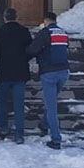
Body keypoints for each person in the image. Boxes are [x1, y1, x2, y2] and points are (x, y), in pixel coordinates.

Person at [26, 12, 70, 150]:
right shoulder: (63, 33)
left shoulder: (45, 33)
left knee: (51, 107)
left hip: (49, 73)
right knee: (51, 101)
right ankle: (44, 124)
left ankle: (56, 139)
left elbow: (33, 49)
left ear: (45, 21)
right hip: (64, 72)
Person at [0, 8, 33, 144]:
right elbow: (31, 49)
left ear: (4, 18)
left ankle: (3, 126)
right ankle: (19, 134)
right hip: (20, 72)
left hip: (4, 71)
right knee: (19, 104)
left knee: (2, 101)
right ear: (17, 17)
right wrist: (24, 60)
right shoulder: (24, 32)